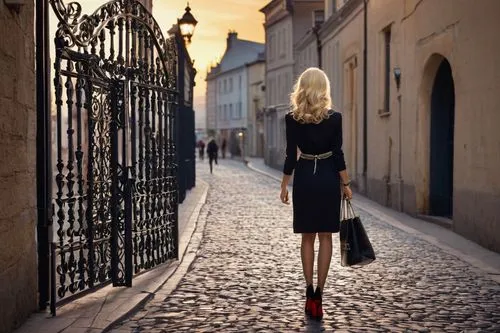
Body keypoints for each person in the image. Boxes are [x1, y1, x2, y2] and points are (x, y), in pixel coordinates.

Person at [279, 67, 353, 321]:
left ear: (302, 88)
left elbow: (291, 155)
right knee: (327, 238)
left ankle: (308, 290)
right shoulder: (335, 118)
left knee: (307, 238)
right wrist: (346, 183)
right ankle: (320, 294)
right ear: (324, 88)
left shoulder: (292, 118)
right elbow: (338, 153)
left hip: (305, 179)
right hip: (327, 177)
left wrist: (284, 183)